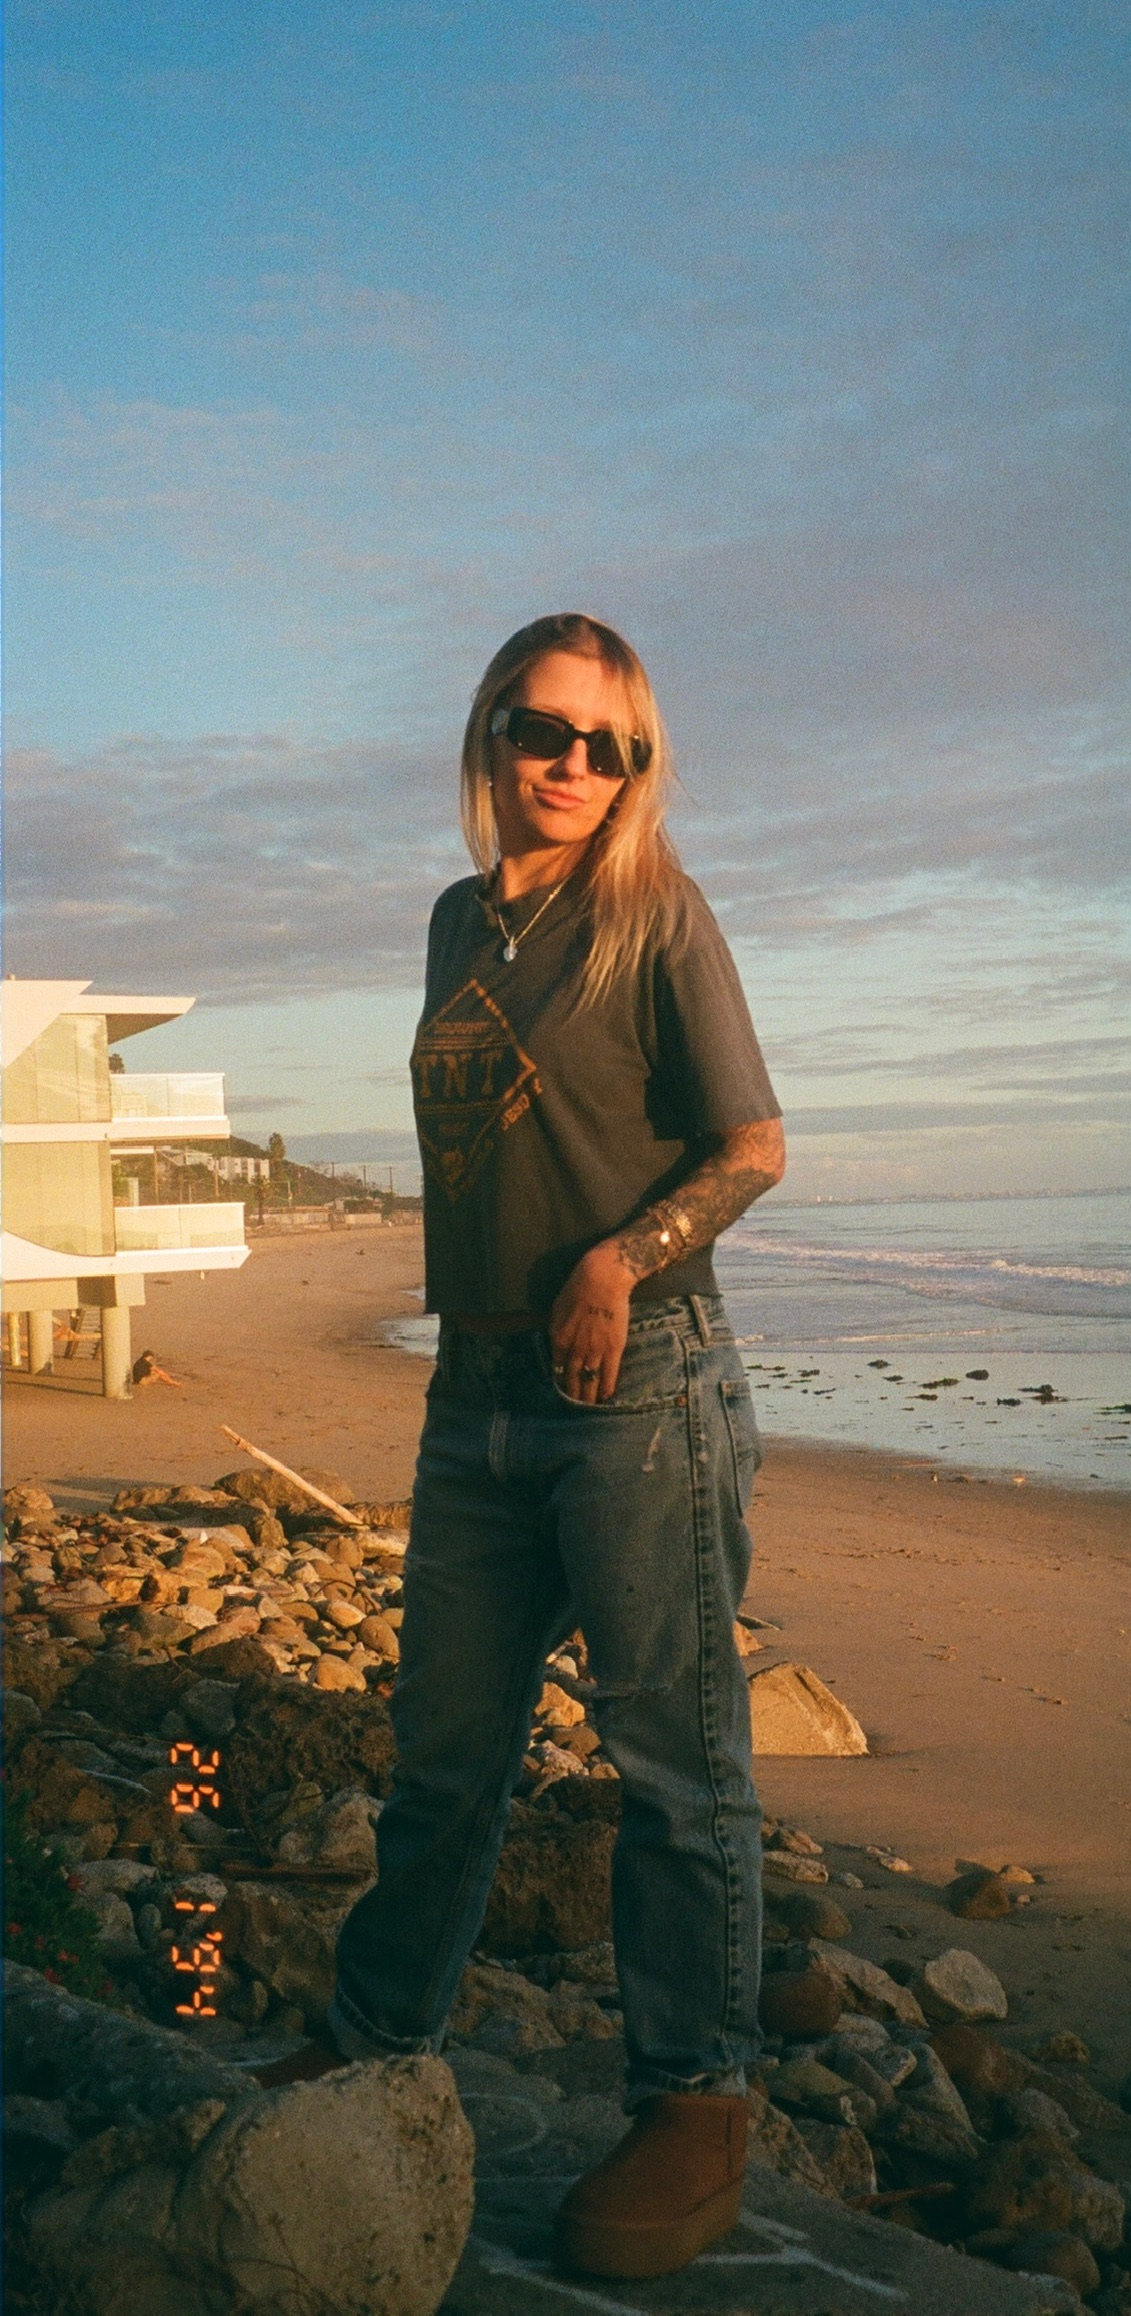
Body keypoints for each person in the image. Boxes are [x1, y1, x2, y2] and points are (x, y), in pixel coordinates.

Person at [256, 613, 785, 2279]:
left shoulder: (658, 916)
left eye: (607, 745)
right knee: (446, 1753)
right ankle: (374, 2031)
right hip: (473, 1392)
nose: (571, 765)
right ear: (488, 735)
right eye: (541, 731)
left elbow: (754, 1143)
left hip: (639, 1391)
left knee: (671, 1765)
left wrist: (620, 1262)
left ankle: (697, 2105)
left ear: (638, 771)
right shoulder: (451, 923)